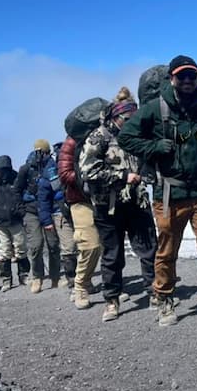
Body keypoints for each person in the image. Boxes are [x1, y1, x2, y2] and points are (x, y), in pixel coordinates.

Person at [119, 56, 197, 326]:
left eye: (191, 76)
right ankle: (163, 299)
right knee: (167, 250)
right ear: (172, 78)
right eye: (181, 76)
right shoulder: (155, 108)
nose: (187, 81)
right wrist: (153, 148)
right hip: (169, 192)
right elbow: (125, 136)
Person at [80, 87, 159, 322]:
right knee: (113, 255)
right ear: (116, 117)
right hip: (108, 206)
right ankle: (111, 300)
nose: (131, 122)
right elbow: (87, 169)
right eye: (127, 119)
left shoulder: (138, 136)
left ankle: (155, 292)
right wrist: (123, 176)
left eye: (134, 119)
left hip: (137, 201)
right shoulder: (99, 137)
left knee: (148, 248)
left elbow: (147, 161)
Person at [58, 135, 102, 309]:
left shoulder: (106, 134)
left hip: (104, 198)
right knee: (89, 245)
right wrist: (90, 174)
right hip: (80, 199)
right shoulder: (72, 141)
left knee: (107, 245)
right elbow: (65, 174)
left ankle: (112, 286)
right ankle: (80, 286)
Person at [15, 139, 62, 293]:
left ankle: (55, 277)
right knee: (36, 246)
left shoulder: (52, 167)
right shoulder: (26, 169)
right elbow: (17, 190)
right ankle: (37, 277)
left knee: (53, 245)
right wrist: (22, 210)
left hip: (49, 209)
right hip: (31, 211)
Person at [0, 155, 29, 292]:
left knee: (20, 247)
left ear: (4, 170)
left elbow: (24, 195)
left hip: (16, 220)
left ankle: (24, 276)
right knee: (4, 251)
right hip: (0, 223)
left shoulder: (17, 179)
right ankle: (6, 280)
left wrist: (22, 211)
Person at [38, 142, 76, 291]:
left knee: (84, 245)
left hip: (77, 208)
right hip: (60, 213)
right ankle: (73, 281)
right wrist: (47, 220)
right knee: (69, 247)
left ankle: (83, 280)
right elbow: (43, 198)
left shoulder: (76, 164)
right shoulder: (49, 172)